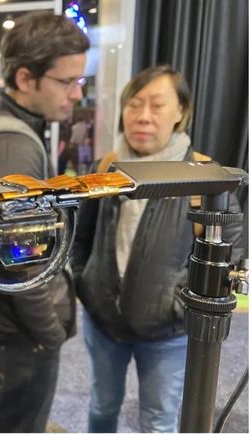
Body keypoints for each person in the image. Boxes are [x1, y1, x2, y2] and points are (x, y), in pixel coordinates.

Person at [70, 65, 244, 432]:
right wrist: (85, 284)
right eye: (134, 104)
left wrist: (175, 306)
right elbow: (81, 236)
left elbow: (230, 253)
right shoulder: (107, 166)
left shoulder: (205, 178)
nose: (143, 116)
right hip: (103, 321)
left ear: (180, 111)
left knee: (158, 421)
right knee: (102, 407)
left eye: (157, 105)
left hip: (167, 333)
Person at [0, 11, 89, 432]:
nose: (76, 94)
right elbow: (23, 262)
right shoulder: (15, 146)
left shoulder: (2, 122)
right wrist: (49, 333)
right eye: (67, 82)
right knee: (18, 416)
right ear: (26, 79)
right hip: (15, 325)